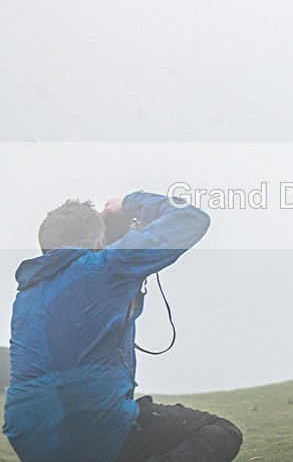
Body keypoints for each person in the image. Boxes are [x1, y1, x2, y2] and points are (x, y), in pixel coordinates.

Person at [2, 192, 242, 461]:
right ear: (98, 240)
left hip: (28, 438)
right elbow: (190, 219)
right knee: (220, 431)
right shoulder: (105, 267)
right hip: (93, 427)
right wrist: (127, 204)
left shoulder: (27, 294)